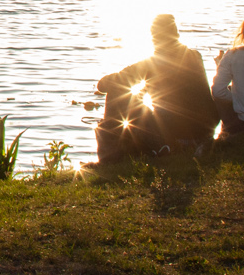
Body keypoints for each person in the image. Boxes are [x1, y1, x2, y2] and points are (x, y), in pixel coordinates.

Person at [93, 14, 220, 164]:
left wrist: (129, 85)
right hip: (204, 130)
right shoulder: (195, 56)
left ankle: (109, 157)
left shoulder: (151, 64)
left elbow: (102, 85)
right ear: (176, 35)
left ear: (155, 38)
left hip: (175, 131)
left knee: (116, 91)